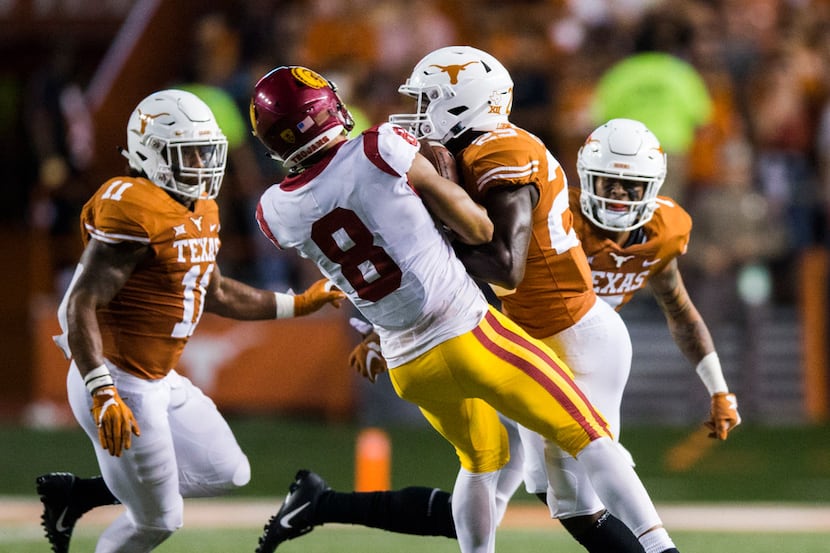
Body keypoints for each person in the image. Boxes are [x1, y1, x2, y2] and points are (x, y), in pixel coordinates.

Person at [249, 61, 681, 553]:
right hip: (470, 333)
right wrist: (439, 196)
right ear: (328, 110)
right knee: (591, 436)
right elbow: (481, 233)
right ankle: (663, 551)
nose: (417, 113)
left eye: (426, 100)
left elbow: (373, 244)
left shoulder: (272, 211)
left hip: (407, 362)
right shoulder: (381, 146)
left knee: (483, 464)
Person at [34, 89, 345, 553]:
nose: (202, 163)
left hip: (161, 379)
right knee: (159, 520)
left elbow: (215, 290)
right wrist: (102, 389)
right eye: (188, 153)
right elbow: (76, 305)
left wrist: (296, 304)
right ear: (149, 152)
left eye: (206, 151)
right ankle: (110, 504)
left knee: (228, 470)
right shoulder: (134, 206)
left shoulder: (200, 208)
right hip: (119, 381)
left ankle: (78, 494)